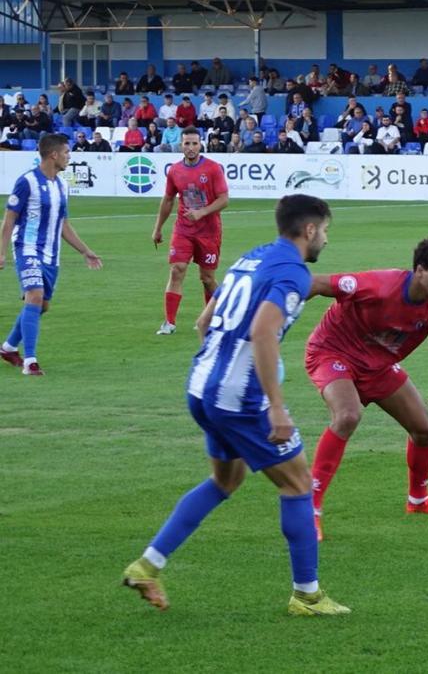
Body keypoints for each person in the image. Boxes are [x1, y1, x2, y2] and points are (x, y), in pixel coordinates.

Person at [121, 195, 348, 616]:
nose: (326, 242)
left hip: (200, 386)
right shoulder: (293, 273)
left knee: (225, 482)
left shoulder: (251, 258)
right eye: (326, 232)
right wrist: (276, 407)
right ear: (310, 230)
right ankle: (307, 595)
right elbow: (263, 332)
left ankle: (147, 566)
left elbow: (204, 321)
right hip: (239, 400)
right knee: (298, 485)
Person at [305, 237, 428, 542]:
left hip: (377, 366)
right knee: (348, 415)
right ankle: (309, 512)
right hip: (332, 352)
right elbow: (316, 282)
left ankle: (418, 501)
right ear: (420, 270)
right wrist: (276, 311)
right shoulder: (378, 285)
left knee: (425, 429)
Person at [0, 134, 103, 376]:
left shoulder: (61, 185)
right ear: (53, 154)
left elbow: (63, 224)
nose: (69, 156)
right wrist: (1, 252)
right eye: (67, 152)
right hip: (27, 248)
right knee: (34, 296)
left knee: (41, 305)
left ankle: (7, 348)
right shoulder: (26, 182)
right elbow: (9, 219)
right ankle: (30, 362)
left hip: (51, 255)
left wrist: (85, 251)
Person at [151, 127, 229, 336]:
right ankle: (169, 322)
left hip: (209, 231)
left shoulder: (213, 169)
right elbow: (168, 200)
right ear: (181, 145)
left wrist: (202, 212)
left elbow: (224, 200)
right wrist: (158, 228)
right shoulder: (175, 170)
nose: (191, 147)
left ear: (200, 144)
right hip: (184, 229)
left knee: (207, 279)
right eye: (187, 143)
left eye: (194, 143)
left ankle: (215, 316)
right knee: (177, 269)